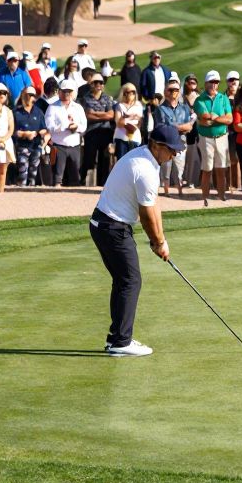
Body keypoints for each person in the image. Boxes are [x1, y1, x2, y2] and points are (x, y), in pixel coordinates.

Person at [90, 123, 186, 356]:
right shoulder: (144, 169)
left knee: (123, 280)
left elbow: (154, 206)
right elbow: (145, 216)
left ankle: (116, 338)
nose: (174, 154)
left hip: (104, 225)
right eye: (171, 149)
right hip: (113, 228)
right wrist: (157, 242)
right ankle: (121, 342)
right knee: (130, 281)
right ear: (156, 145)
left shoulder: (146, 158)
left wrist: (161, 240)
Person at [194, 70, 233, 206]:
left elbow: (229, 119)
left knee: (221, 168)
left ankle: (221, 196)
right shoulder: (200, 99)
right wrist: (217, 118)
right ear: (206, 83)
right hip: (206, 138)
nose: (214, 85)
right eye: (211, 82)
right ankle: (205, 197)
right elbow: (204, 116)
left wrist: (215, 117)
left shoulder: (223, 98)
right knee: (207, 169)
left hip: (222, 137)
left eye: (216, 82)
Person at [153, 76, 193, 196]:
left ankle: (179, 191)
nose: (173, 92)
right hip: (165, 143)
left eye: (175, 90)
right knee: (166, 168)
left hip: (181, 141)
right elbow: (161, 127)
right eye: (170, 90)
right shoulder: (160, 109)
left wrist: (173, 126)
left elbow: (189, 127)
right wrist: (180, 127)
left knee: (179, 167)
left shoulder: (184, 108)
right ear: (166, 92)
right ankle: (166, 192)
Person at [45, 79, 87, 186]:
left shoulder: (78, 108)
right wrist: (65, 126)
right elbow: (49, 126)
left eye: (69, 91)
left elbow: (84, 126)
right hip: (59, 146)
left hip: (74, 145)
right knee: (57, 177)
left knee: (75, 176)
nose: (67, 93)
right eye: (64, 91)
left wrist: (75, 127)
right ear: (59, 91)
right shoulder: (52, 107)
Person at [80, 73, 116, 186]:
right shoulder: (86, 98)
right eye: (96, 82)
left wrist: (96, 114)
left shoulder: (108, 98)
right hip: (91, 133)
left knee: (104, 160)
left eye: (101, 83)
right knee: (88, 159)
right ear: (91, 84)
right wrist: (103, 114)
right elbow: (87, 115)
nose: (98, 85)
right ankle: (83, 182)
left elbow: (111, 115)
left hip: (105, 132)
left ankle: (102, 184)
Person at [13, 86, 46, 187]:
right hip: (22, 146)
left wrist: (38, 133)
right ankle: (21, 190)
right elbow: (12, 131)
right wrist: (23, 134)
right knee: (23, 171)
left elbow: (44, 128)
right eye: (28, 95)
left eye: (32, 95)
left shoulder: (39, 112)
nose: (30, 97)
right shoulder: (16, 112)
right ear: (23, 95)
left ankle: (30, 192)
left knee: (33, 172)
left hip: (36, 146)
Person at [113, 83, 144, 160]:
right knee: (121, 160)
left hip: (135, 138)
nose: (130, 94)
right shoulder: (119, 105)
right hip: (121, 138)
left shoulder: (139, 105)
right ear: (124, 93)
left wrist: (126, 119)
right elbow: (119, 123)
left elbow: (140, 122)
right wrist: (131, 118)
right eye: (128, 92)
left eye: (133, 92)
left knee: (134, 161)